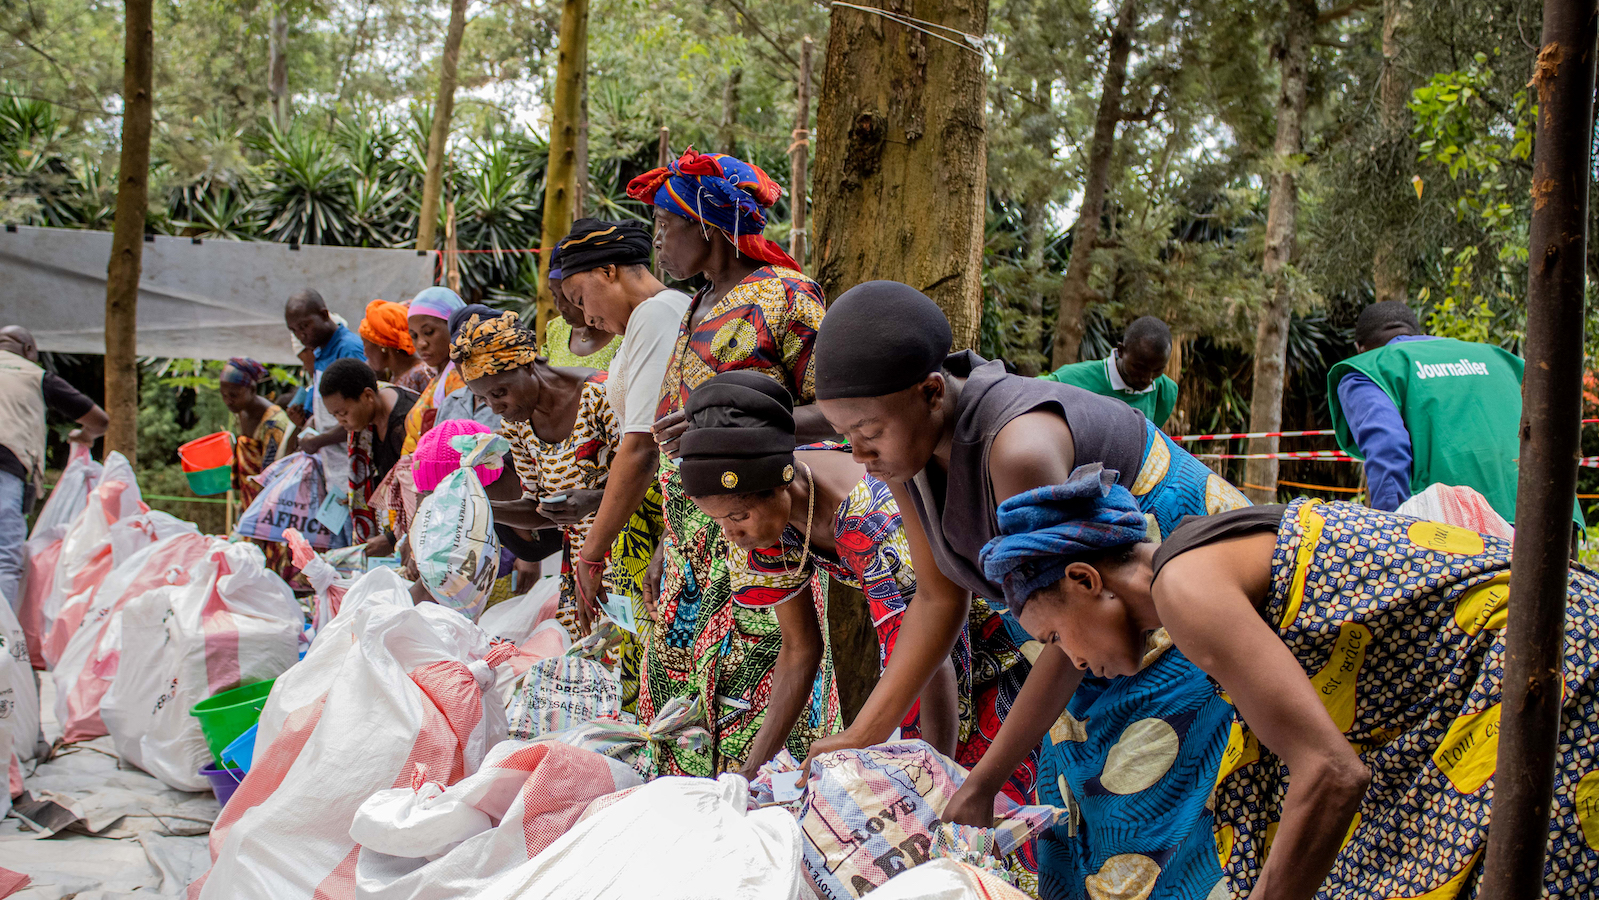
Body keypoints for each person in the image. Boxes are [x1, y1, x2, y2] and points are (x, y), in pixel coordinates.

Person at [805, 281, 1251, 900]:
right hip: (1080, 641)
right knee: (1071, 830)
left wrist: (984, 779)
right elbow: (938, 599)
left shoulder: (1015, 449)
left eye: (867, 431)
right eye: (841, 433)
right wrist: (862, 736)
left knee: (1149, 831)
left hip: (1176, 627)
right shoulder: (906, 458)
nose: (856, 453)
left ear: (932, 392)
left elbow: (1081, 614)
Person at [984, 471, 1599, 900]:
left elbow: (1332, 774)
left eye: (1058, 637)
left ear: (1086, 579)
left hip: (1544, 661)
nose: (1072, 661)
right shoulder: (1198, 560)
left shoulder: (1186, 590)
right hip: (1532, 653)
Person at [681, 371, 1040, 793]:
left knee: (985, 814)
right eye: (719, 520)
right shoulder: (771, 527)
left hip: (997, 653)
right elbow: (799, 648)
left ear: (780, 481)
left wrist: (930, 784)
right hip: (927, 664)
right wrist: (751, 770)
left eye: (738, 517)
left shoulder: (871, 519)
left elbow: (933, 651)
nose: (731, 533)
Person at [624, 147, 839, 777]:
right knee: (677, 702)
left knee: (761, 682)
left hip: (761, 534)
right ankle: (692, 833)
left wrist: (723, 425)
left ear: (707, 226)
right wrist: (670, 535)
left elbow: (834, 410)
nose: (658, 245)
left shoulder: (786, 297)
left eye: (666, 229)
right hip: (696, 545)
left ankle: (761, 823)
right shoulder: (699, 304)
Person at [1327, 300, 1583, 532]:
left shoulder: (1368, 368)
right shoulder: (1499, 357)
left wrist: (1390, 535)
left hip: (1459, 526)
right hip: (1555, 514)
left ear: (1360, 348)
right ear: (1419, 334)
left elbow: (1388, 446)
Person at [551, 218, 688, 619]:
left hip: (671, 513)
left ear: (607, 271)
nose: (585, 316)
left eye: (580, 297)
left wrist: (590, 557)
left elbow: (643, 446)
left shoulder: (656, 313)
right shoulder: (660, 313)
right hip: (662, 516)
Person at [452, 311, 617, 638]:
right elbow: (537, 510)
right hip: (583, 570)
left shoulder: (601, 395)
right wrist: (478, 507)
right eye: (483, 398)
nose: (494, 406)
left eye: (499, 392)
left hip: (636, 555)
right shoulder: (517, 425)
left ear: (528, 365)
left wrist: (596, 499)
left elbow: (656, 473)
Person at [0, 325, 106, 608]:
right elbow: (99, 421)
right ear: (29, 351)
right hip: (5, 469)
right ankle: (3, 645)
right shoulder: (35, 375)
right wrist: (84, 437)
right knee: (3, 562)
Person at [317, 358, 417, 554]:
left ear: (367, 396)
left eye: (343, 413)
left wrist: (392, 538)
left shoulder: (406, 423)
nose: (341, 421)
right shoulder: (370, 417)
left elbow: (420, 492)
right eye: (335, 415)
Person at [285, 289, 366, 524]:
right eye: (294, 330)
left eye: (305, 326)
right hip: (336, 471)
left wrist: (319, 440)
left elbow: (359, 416)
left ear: (324, 314)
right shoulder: (320, 353)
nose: (301, 335)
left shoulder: (347, 349)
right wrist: (311, 423)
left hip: (354, 468)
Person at [218, 357, 295, 578]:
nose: (228, 401)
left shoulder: (274, 423)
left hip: (267, 506)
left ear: (251, 389)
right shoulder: (241, 413)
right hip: (250, 502)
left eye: (234, 395)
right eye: (224, 395)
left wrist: (260, 519)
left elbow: (273, 475)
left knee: (269, 563)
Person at [1039, 316, 1179, 428]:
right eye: (1139, 368)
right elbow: (1027, 390)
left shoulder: (1165, 392)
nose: (1148, 379)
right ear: (1121, 351)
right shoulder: (1074, 378)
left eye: (1158, 370)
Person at [401, 286, 468, 455]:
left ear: (455, 326)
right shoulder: (441, 375)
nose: (421, 343)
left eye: (428, 332)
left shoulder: (461, 377)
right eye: (414, 336)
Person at [544, 241, 619, 369]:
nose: (560, 307)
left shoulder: (624, 333)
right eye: (554, 295)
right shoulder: (555, 329)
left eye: (569, 297)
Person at [359, 298, 434, 394]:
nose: (365, 353)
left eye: (365, 345)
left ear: (382, 346)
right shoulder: (394, 375)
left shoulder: (420, 375)